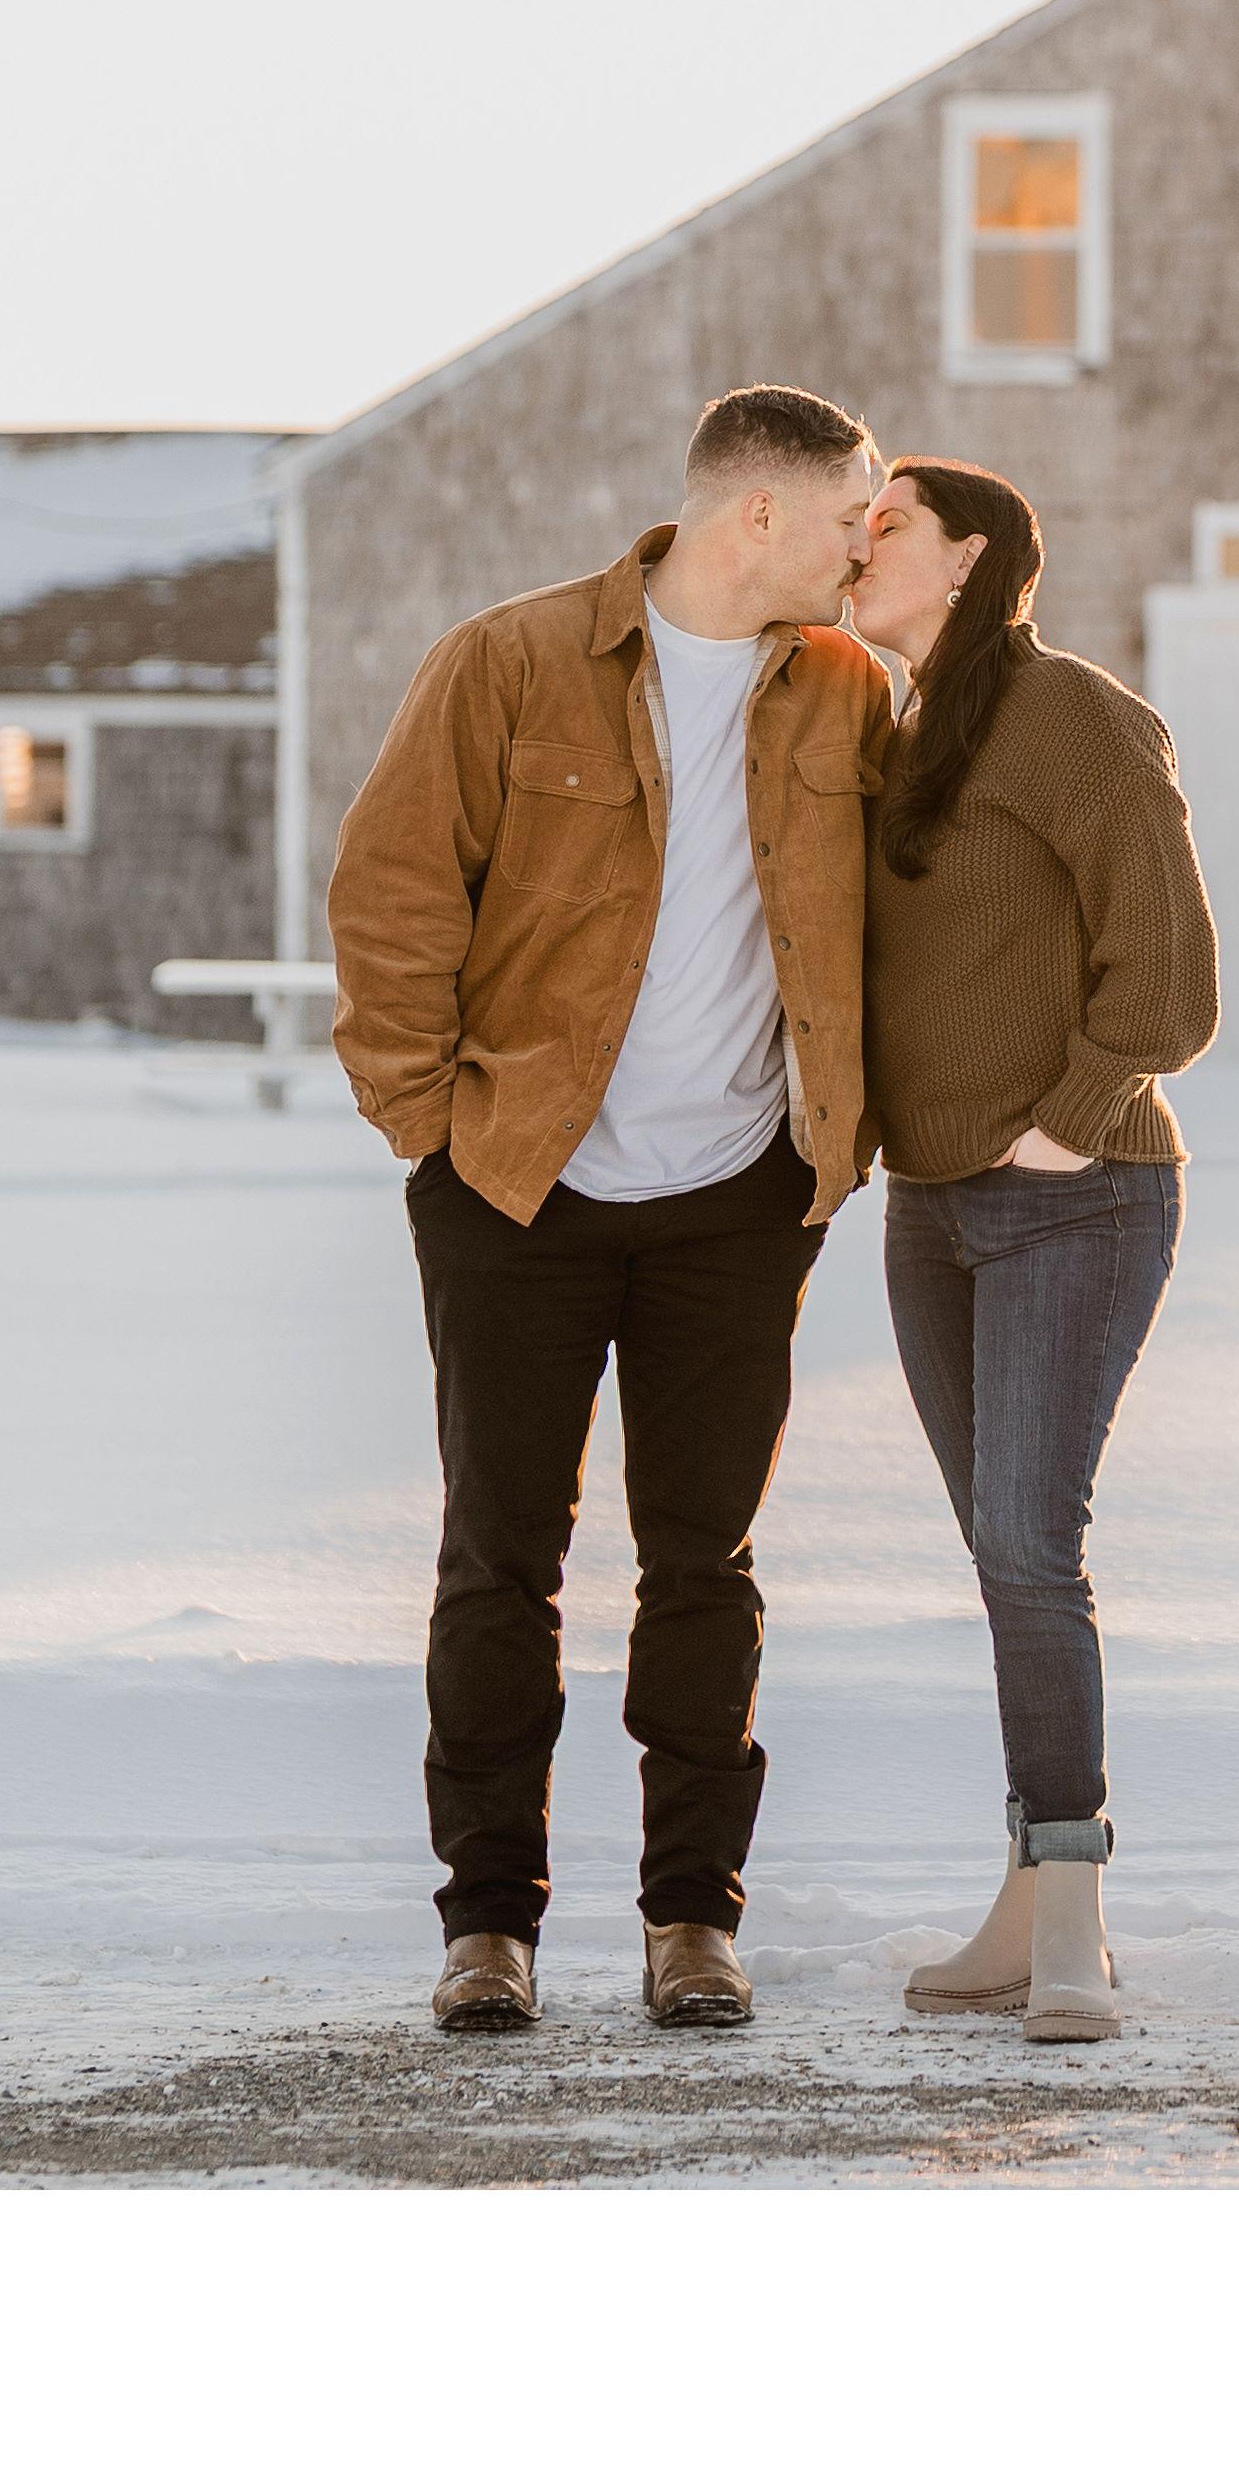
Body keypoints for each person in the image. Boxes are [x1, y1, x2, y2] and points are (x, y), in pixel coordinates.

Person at [325, 384, 889, 2037]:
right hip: (516, 1186)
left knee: (703, 1561)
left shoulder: (849, 694)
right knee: (500, 1558)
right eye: (853, 511)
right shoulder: (508, 662)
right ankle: (486, 1924)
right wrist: (432, 1130)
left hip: (738, 1199)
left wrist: (833, 1147)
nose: (867, 541)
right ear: (757, 514)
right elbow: (392, 890)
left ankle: (689, 1922)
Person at [838, 459, 1220, 2042]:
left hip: (1079, 1192)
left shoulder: (1071, 714)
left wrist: (1066, 1116)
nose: (859, 551)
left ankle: (1074, 1912)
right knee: (1000, 1564)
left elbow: (1172, 972)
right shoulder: (896, 726)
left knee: (1025, 1545)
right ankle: (1021, 1899)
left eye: (888, 530)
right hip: (931, 1214)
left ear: (970, 554)